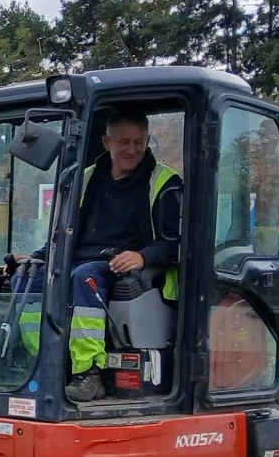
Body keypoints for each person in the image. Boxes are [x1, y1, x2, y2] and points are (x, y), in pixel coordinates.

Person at [11, 107, 183, 403]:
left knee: (84, 278)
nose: (132, 150)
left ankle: (88, 372)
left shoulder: (165, 183)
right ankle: (44, 363)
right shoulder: (85, 178)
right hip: (78, 258)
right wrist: (37, 258)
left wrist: (143, 256)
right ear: (107, 143)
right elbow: (62, 231)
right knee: (26, 281)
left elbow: (177, 242)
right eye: (124, 142)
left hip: (119, 264)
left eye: (139, 142)